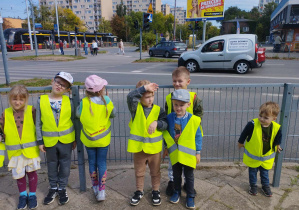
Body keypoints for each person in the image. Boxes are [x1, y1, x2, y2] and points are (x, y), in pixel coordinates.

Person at [36, 72, 76, 206]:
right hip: (49, 141)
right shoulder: (41, 100)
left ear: (67, 90)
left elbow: (73, 121)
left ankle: (62, 188)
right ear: (52, 81)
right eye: (58, 82)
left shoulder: (68, 101)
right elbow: (38, 123)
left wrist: (74, 139)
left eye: (63, 85)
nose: (59, 86)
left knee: (65, 165)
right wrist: (40, 141)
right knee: (52, 165)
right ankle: (53, 187)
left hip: (66, 140)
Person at [127, 80, 167, 206]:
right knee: (139, 172)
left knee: (155, 172)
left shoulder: (158, 110)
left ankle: (155, 190)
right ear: (140, 97)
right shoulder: (135, 108)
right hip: (139, 149)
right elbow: (130, 96)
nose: (150, 99)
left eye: (152, 96)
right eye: (147, 97)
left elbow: (165, 123)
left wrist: (157, 123)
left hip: (154, 149)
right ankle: (139, 191)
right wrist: (144, 88)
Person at [164, 66, 203, 196]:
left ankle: (188, 183)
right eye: (174, 81)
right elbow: (167, 116)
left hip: (189, 137)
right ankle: (173, 181)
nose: (177, 84)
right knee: (173, 161)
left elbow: (199, 113)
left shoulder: (193, 97)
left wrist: (194, 125)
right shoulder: (170, 97)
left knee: (188, 162)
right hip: (174, 136)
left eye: (180, 81)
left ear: (188, 82)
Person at [0, 85, 40, 210]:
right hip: (15, 153)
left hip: (30, 151)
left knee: (32, 173)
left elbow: (39, 126)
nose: (17, 102)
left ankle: (32, 195)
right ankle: (23, 196)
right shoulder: (5, 114)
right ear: (9, 99)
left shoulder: (32, 111)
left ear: (26, 99)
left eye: (21, 99)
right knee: (19, 175)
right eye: (14, 99)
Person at [77, 75, 115, 201]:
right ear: (101, 89)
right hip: (103, 139)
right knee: (102, 162)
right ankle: (102, 191)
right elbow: (113, 114)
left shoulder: (83, 102)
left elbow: (77, 114)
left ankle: (94, 187)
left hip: (89, 139)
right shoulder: (107, 100)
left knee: (92, 162)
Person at [238, 101, 282, 197]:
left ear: (273, 119)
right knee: (252, 173)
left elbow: (278, 137)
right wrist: (240, 142)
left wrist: (278, 145)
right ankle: (253, 186)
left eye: (266, 118)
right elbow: (244, 133)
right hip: (254, 157)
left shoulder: (276, 127)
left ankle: (265, 186)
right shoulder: (252, 124)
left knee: (265, 173)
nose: (261, 119)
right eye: (260, 116)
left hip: (266, 158)